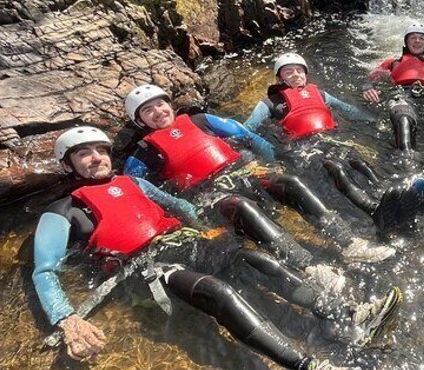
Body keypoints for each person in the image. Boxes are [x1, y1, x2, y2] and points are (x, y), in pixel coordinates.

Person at [32, 127, 403, 370]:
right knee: (218, 291)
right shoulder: (63, 211)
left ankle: (352, 315)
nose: (96, 157)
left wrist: (201, 226)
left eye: (100, 150)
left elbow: (181, 208)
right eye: (84, 154)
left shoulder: (135, 182)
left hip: (189, 246)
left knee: (258, 260)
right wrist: (66, 318)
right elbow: (44, 271)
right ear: (69, 164)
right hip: (149, 271)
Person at [122, 84, 393, 264]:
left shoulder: (202, 121)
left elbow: (249, 136)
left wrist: (273, 162)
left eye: (160, 105)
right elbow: (136, 195)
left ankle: (349, 244)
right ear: (140, 121)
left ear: (170, 104)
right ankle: (311, 268)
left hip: (244, 172)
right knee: (244, 208)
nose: (158, 112)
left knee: (291, 183)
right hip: (212, 196)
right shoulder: (143, 154)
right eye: (148, 110)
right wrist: (186, 215)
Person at [247, 53, 424, 232]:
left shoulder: (319, 93)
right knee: (336, 168)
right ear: (279, 79)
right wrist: (246, 149)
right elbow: (249, 127)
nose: (295, 74)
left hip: (330, 140)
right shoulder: (271, 103)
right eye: (288, 72)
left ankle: (393, 198)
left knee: (359, 163)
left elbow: (348, 110)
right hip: (304, 147)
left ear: (305, 74)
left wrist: (375, 120)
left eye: (299, 70)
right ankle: (373, 210)